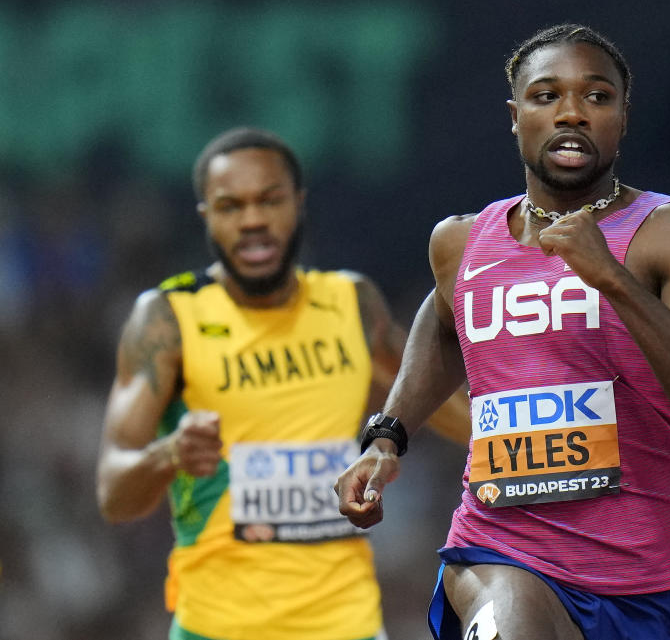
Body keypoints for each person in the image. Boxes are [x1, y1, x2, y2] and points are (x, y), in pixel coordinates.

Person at [336, 24, 670, 640]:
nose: (572, 113)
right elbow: (448, 322)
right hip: (500, 552)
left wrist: (612, 280)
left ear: (621, 116)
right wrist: (387, 436)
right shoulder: (462, 241)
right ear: (515, 116)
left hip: (648, 585)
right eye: (546, 95)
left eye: (596, 97)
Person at [96, 127, 469, 640]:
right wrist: (169, 454)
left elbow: (454, 412)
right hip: (217, 628)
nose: (252, 221)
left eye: (269, 200)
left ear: (298, 203)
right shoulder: (167, 320)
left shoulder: (350, 304)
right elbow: (113, 495)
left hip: (348, 625)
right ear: (206, 215)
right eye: (231, 206)